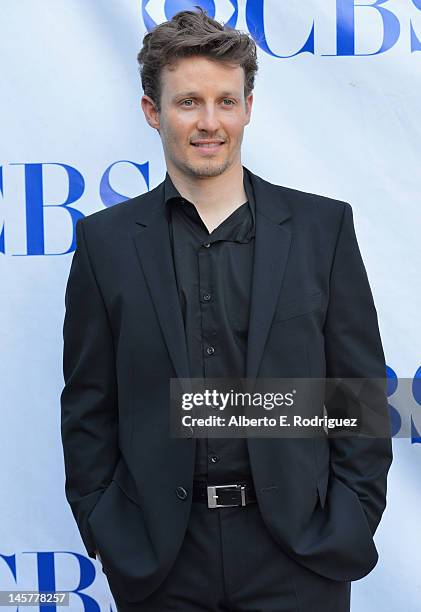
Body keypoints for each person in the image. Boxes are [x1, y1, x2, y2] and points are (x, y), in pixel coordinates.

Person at [60, 7, 392, 611]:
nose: (209, 122)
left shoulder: (323, 229)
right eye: (188, 102)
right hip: (161, 560)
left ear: (247, 108)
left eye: (225, 101)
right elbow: (89, 403)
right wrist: (106, 529)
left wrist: (350, 519)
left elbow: (359, 394)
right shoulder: (105, 244)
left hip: (298, 554)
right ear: (151, 112)